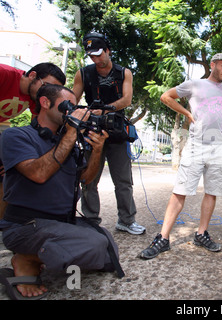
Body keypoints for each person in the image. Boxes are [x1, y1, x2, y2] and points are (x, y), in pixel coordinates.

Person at [0, 84, 118, 299]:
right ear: (45, 103)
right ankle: (26, 259)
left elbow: (86, 179)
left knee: (108, 248)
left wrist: (97, 150)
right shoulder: (17, 136)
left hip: (60, 222)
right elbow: (39, 174)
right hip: (24, 226)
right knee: (93, 245)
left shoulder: (68, 142)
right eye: (67, 106)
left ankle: (48, 253)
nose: (72, 112)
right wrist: (72, 132)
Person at [140, 53, 222, 259]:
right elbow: (166, 97)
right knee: (180, 190)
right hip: (196, 144)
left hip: (219, 146)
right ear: (213, 65)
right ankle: (163, 238)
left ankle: (201, 233)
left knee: (212, 191)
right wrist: (187, 114)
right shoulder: (194, 85)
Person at [72, 32, 145, 235]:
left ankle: (127, 220)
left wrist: (104, 109)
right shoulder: (83, 73)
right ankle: (90, 221)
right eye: (91, 56)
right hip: (92, 131)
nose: (95, 59)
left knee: (123, 180)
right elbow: (72, 99)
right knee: (88, 180)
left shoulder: (124, 73)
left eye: (98, 54)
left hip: (116, 131)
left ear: (107, 50)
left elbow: (127, 100)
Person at [0, 62, 66, 219]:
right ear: (32, 76)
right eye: (46, 86)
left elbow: (38, 128)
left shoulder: (36, 97)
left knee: (7, 174)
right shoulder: (4, 74)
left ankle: (4, 224)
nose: (48, 93)